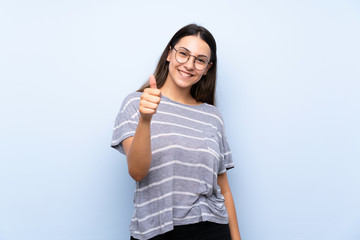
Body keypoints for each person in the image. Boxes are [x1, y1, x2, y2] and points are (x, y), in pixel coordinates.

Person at [111, 24, 241, 240]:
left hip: (212, 228)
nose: (189, 64)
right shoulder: (136, 103)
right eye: (183, 54)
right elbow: (137, 172)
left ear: (207, 68)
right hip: (157, 231)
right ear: (170, 54)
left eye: (200, 60)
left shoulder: (213, 117)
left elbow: (224, 189)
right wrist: (145, 119)